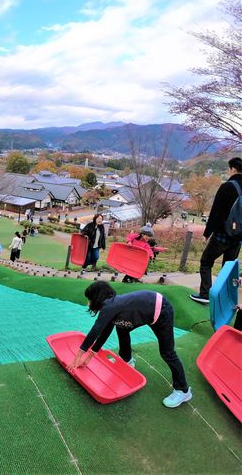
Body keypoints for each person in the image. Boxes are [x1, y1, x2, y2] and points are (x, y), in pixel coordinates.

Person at [70, 282, 191, 408]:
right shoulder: (112, 307)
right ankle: (127, 360)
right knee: (121, 327)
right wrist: (88, 358)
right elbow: (104, 333)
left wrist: (78, 357)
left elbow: (96, 330)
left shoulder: (110, 306)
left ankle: (183, 391)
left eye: (89, 299)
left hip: (161, 310)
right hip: (146, 310)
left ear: (96, 298)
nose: (88, 303)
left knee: (168, 352)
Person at [191, 157, 242, 304]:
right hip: (238, 238)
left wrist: (207, 233)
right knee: (228, 269)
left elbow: (215, 213)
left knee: (206, 262)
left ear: (232, 169)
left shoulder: (227, 186)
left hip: (222, 235)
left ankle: (205, 294)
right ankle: (224, 299)